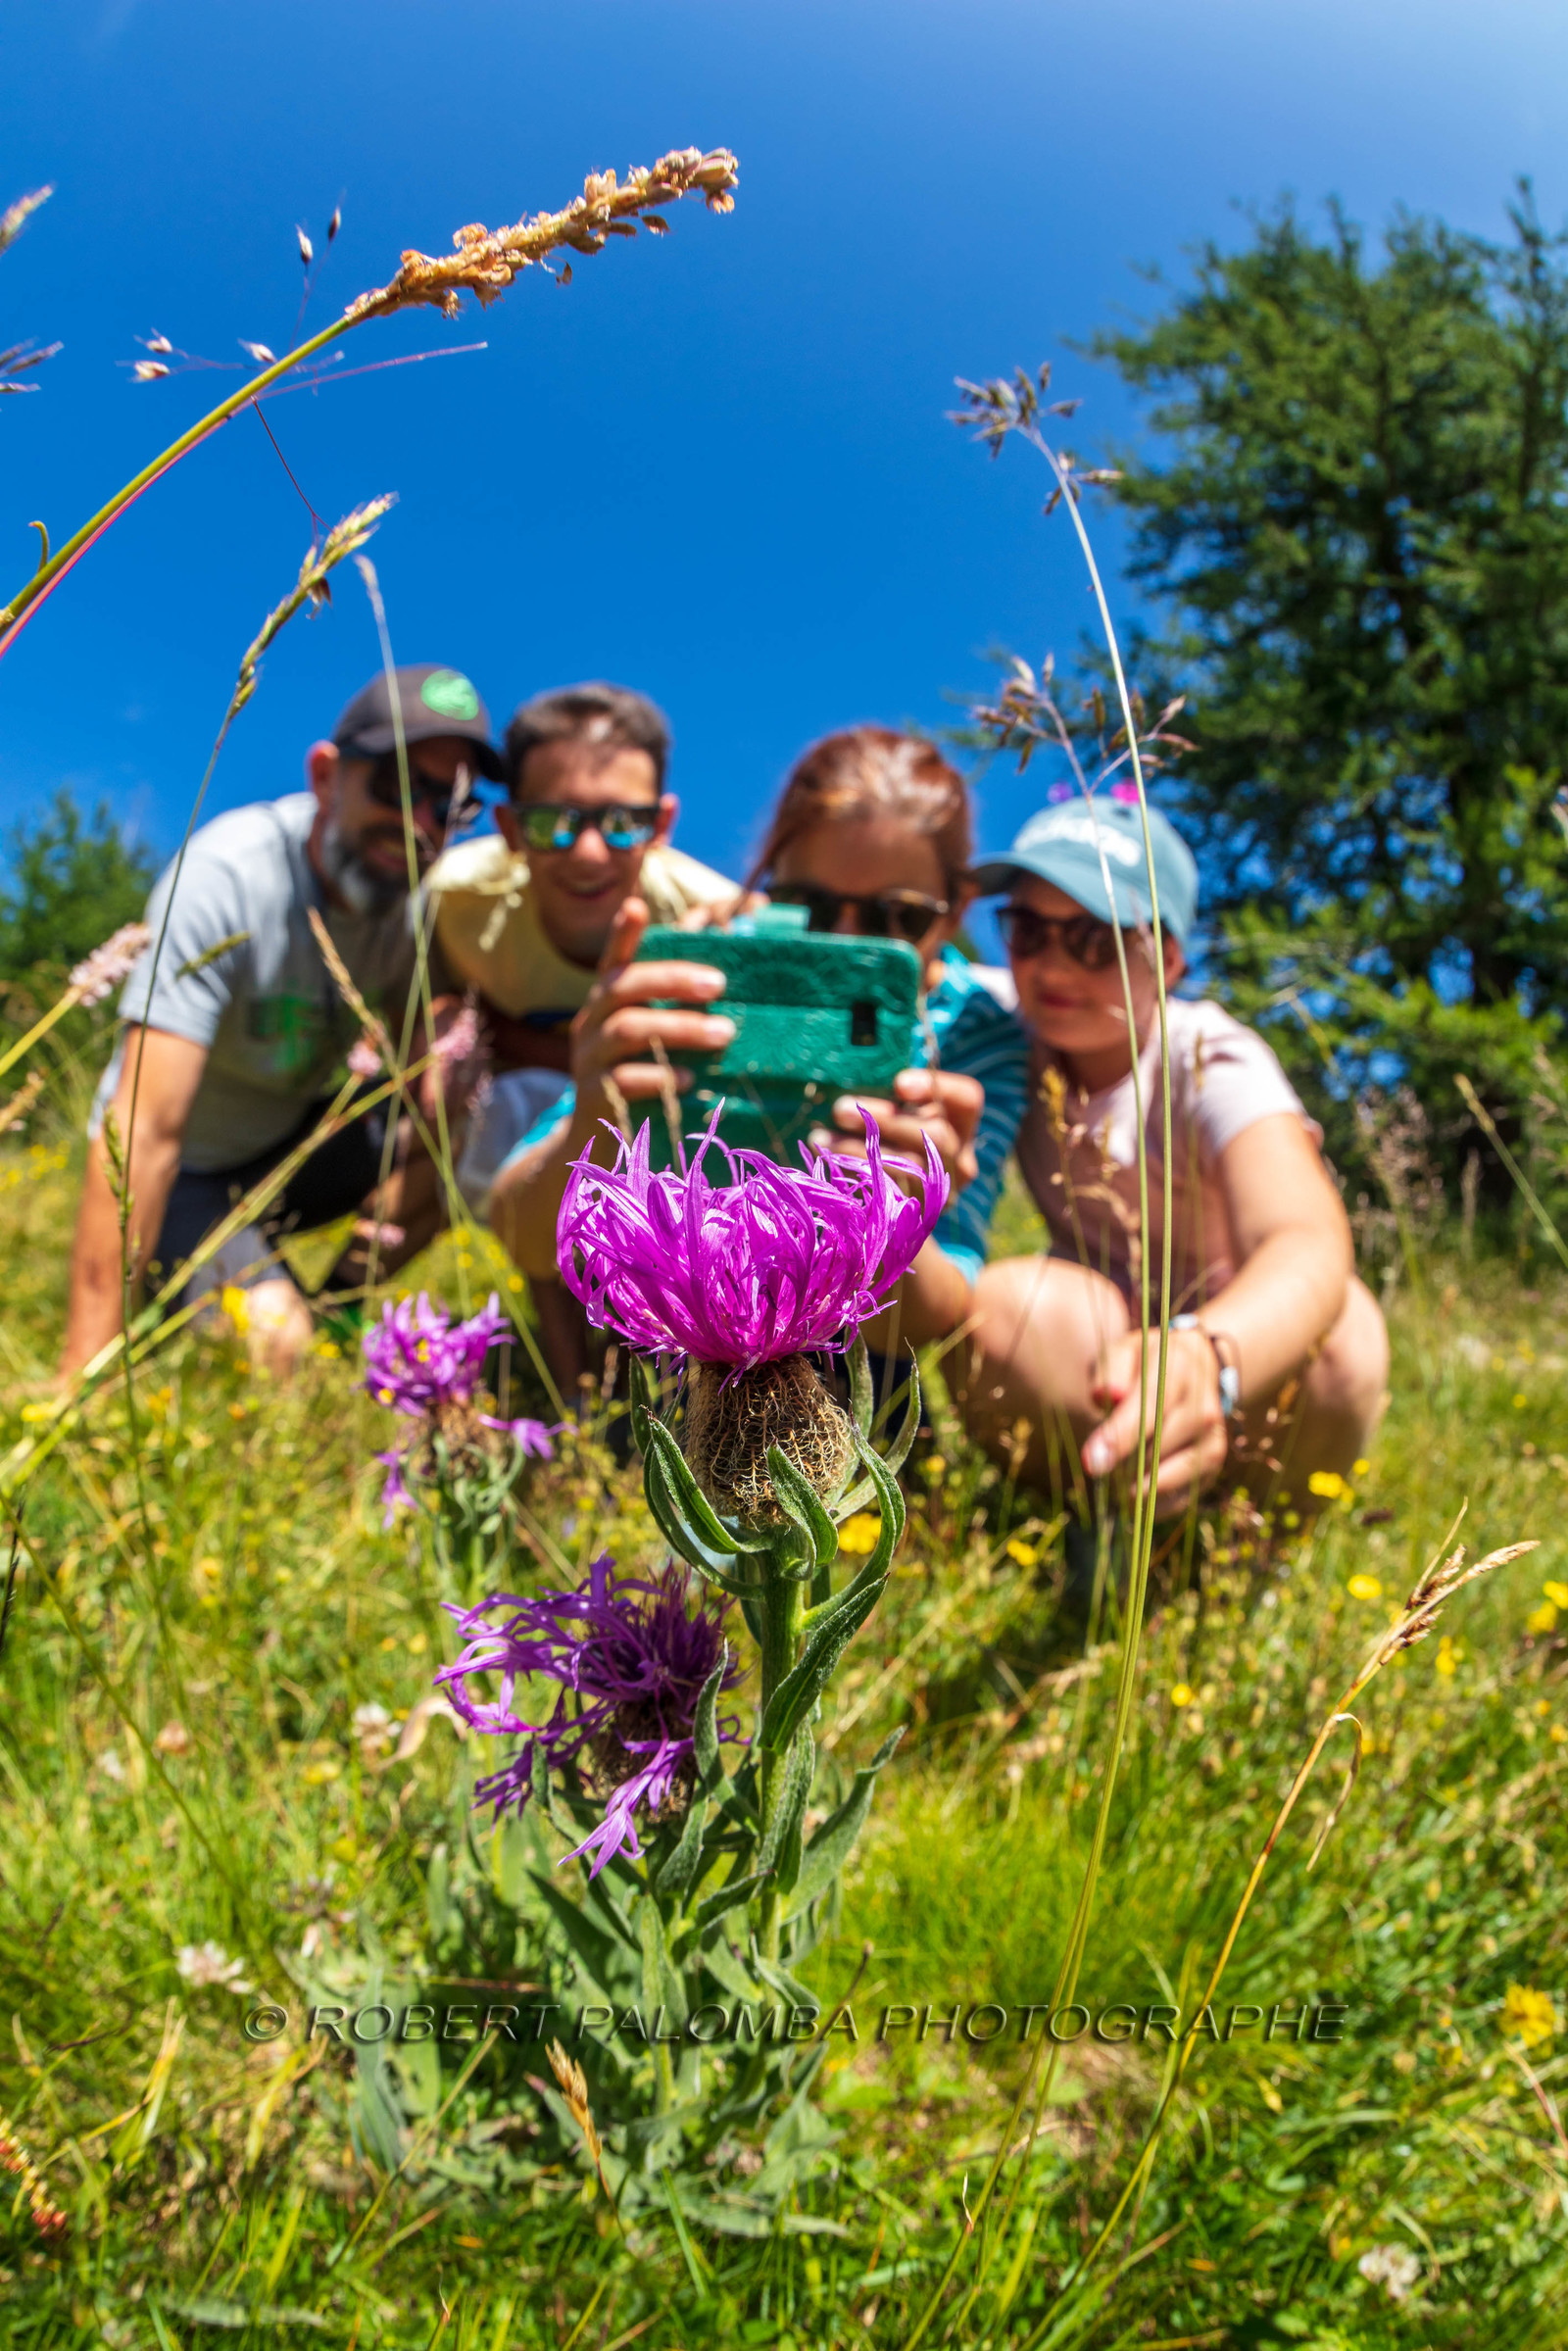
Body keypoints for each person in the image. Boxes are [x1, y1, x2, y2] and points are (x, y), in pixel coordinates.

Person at [489, 723, 1026, 1390]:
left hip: (849, 1373)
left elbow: (939, 1315)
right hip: (654, 1351)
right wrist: (595, 1111)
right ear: (770, 890)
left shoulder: (978, 1031)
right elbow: (521, 1231)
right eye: (809, 908)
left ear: (956, 911)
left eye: (898, 918)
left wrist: (897, 1231)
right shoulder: (705, 971)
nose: (843, 944)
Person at [60, 664, 498, 1381]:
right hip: (187, 1172)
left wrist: (449, 1063)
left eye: (449, 807)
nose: (421, 825)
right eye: (397, 786)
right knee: (272, 1344)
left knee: (469, 1129)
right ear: (326, 776)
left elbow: (427, 1041)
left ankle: (334, 1313)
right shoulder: (226, 878)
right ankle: (209, 1303)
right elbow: (141, 1129)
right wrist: (85, 1370)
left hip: (287, 1155)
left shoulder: (408, 904)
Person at [961, 793, 1390, 1516]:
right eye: (1028, 930)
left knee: (1343, 1330)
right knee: (1002, 1307)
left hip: (1237, 1356)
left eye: (1096, 937)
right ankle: (1099, 1526)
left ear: (1167, 959)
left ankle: (1255, 1541)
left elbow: (1307, 1238)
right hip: (1100, 1363)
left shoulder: (1208, 1055)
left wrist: (1207, 1352)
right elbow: (886, 952)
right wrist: (730, 916)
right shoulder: (1008, 1028)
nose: (1054, 962)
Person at [423, 682, 734, 1210]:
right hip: (499, 1114)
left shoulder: (713, 924)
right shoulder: (454, 902)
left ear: (660, 825)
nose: (589, 853)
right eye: (552, 823)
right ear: (511, 829)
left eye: (621, 823)